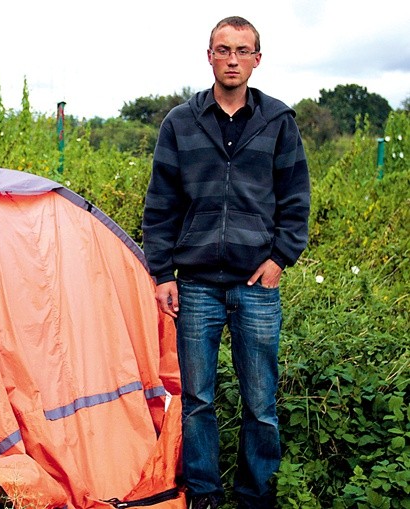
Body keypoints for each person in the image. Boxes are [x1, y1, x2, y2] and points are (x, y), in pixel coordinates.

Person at [142, 16, 310, 509]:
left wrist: (281, 257)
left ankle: (255, 496)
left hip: (256, 286)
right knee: (198, 402)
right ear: (209, 56)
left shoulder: (278, 121)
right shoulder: (180, 122)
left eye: (242, 50)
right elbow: (161, 205)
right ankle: (204, 495)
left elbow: (295, 198)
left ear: (257, 59)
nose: (232, 59)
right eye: (223, 49)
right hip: (195, 285)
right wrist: (161, 274)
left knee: (261, 404)